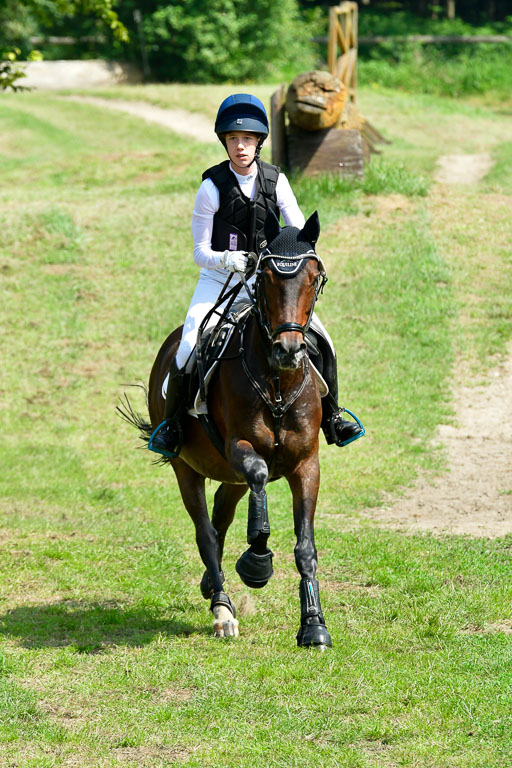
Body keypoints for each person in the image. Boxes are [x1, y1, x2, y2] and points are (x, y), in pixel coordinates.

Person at [149, 93, 364, 459]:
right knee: (188, 345)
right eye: (233, 139)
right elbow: (199, 252)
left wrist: (294, 256)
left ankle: (333, 418)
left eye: (247, 139)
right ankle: (172, 427)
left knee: (323, 342)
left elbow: (297, 232)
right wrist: (229, 259)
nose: (240, 146)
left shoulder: (276, 181)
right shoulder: (211, 188)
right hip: (219, 281)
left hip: (269, 284)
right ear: (225, 142)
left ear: (258, 141)